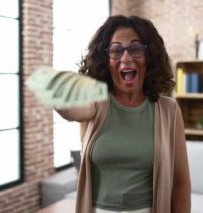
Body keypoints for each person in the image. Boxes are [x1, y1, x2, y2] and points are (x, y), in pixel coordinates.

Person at [56, 15, 191, 213]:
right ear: (106, 59)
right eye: (116, 50)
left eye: (135, 49)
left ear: (150, 57)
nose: (126, 58)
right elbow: (69, 108)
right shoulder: (94, 104)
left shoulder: (169, 111)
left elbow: (181, 184)